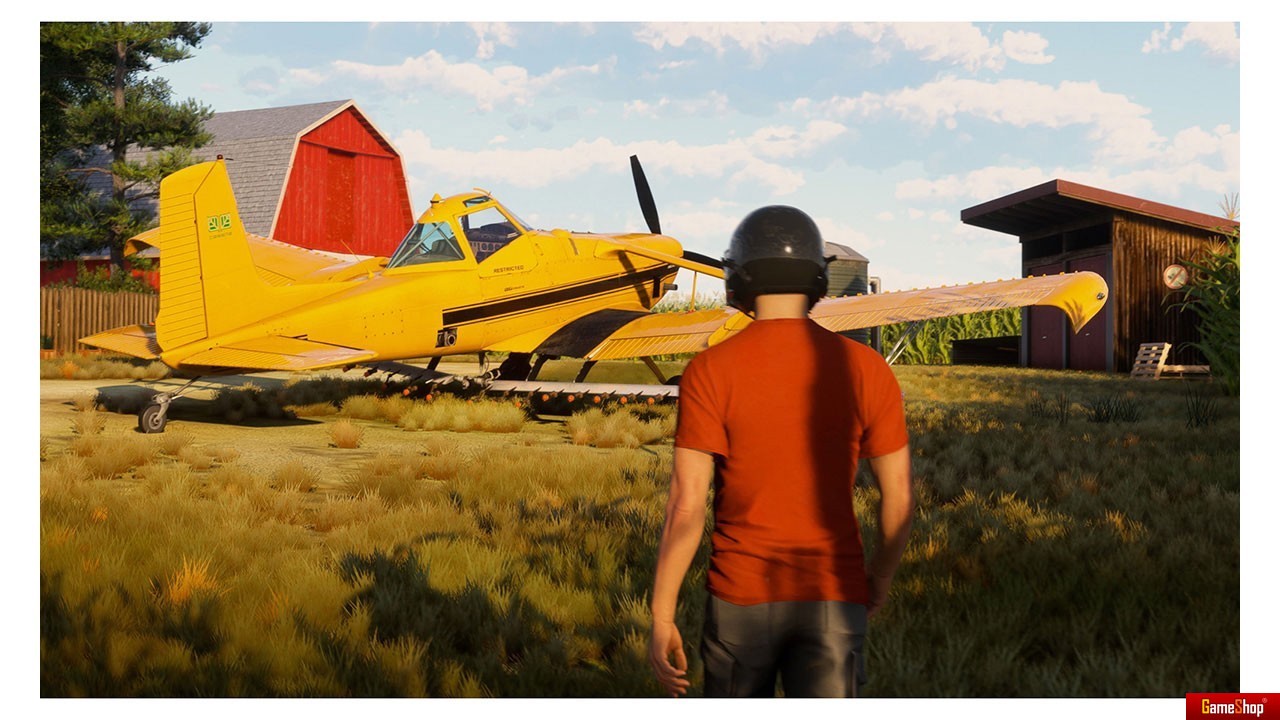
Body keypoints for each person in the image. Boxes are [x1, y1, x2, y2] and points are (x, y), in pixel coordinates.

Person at [647, 205, 913, 698]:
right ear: (817, 277)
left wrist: (662, 615)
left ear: (739, 276)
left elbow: (685, 507)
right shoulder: (868, 368)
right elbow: (898, 498)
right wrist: (879, 576)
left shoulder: (709, 370)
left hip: (740, 597)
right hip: (834, 594)